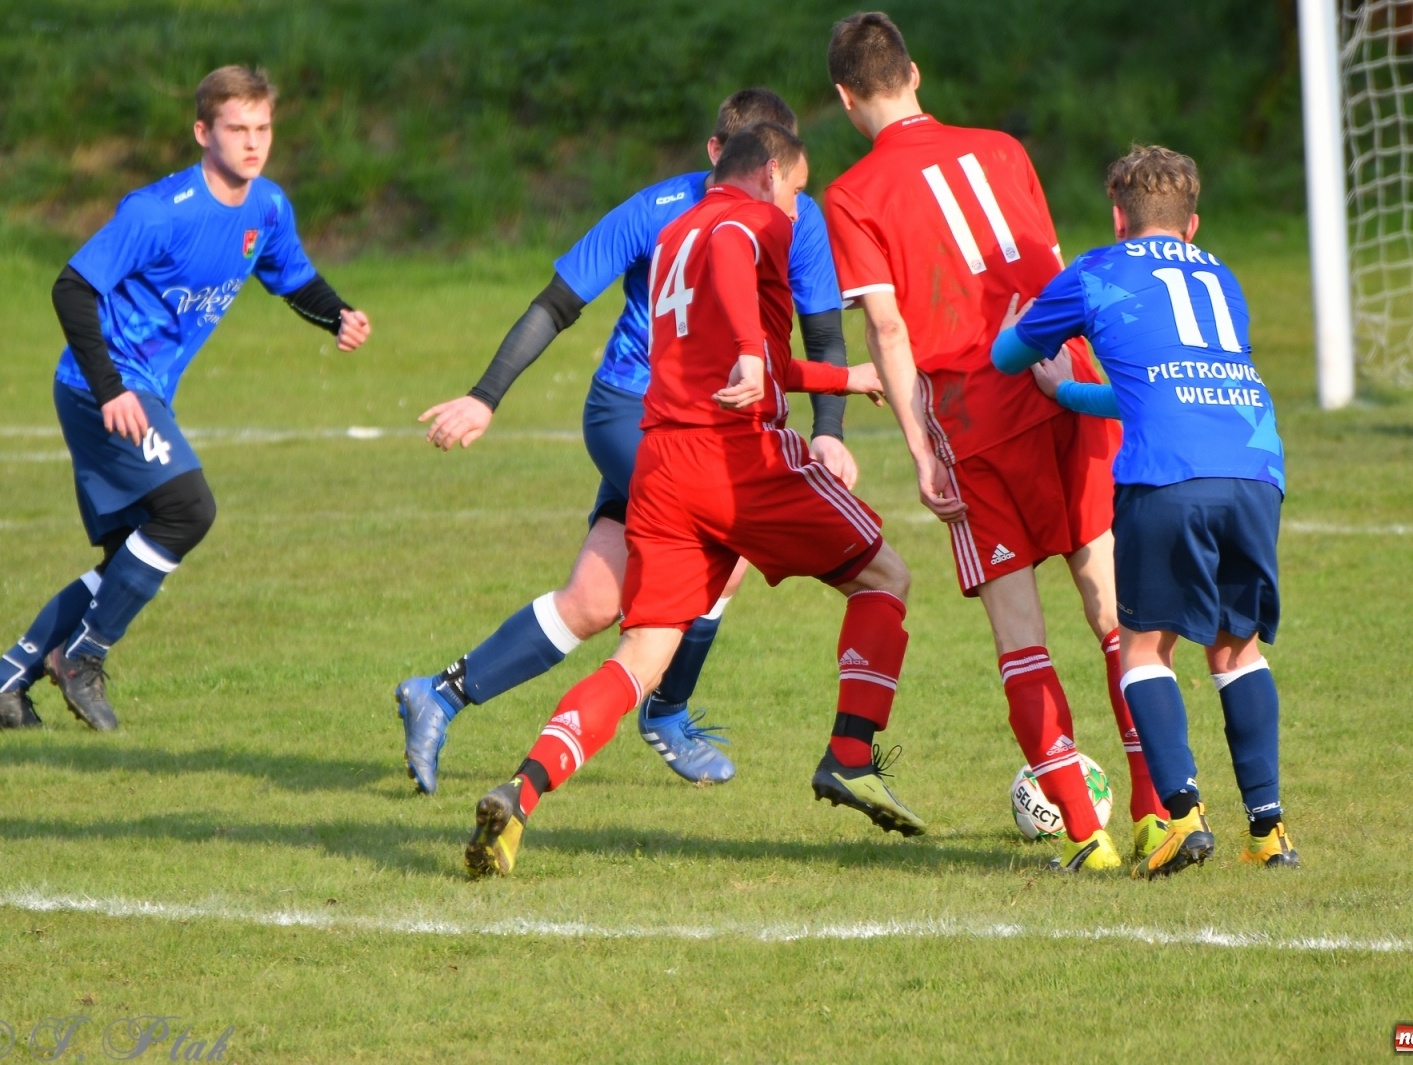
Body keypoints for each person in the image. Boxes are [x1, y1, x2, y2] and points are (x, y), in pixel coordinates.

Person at [465, 124, 922, 878]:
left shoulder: (673, 232)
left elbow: (765, 358)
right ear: (771, 172)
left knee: (641, 656)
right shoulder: (758, 218)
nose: (798, 205)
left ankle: (523, 791)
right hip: (736, 459)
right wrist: (752, 344)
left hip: (664, 464)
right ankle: (850, 754)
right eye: (799, 187)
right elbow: (742, 262)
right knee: (887, 578)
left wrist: (846, 380)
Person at [395, 89, 855, 794]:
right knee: (724, 547)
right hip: (632, 411)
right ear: (723, 155)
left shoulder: (801, 218)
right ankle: (665, 709)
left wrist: (830, 434)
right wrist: (484, 396)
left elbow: (821, 329)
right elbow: (558, 302)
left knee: (593, 598)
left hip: (705, 425)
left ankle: (441, 693)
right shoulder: (657, 210)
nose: (782, 188)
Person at [821, 12, 1165, 872]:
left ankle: (1088, 837)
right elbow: (1056, 269)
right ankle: (1159, 812)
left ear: (844, 95)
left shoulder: (853, 196)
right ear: (917, 73)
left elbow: (890, 331)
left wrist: (919, 445)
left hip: (976, 416)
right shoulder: (1005, 148)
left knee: (1022, 631)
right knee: (1112, 610)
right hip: (1065, 379)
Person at [0, 66, 370, 732]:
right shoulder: (156, 212)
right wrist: (110, 389)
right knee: (188, 508)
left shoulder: (266, 207)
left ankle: (0, 685)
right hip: (102, 390)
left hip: (141, 392)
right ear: (202, 132)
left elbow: (290, 274)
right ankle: (82, 657)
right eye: (236, 128)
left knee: (126, 558)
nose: (252, 142)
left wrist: (337, 314)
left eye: (262, 128)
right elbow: (71, 288)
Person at [993, 144, 1298, 878]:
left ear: (1117, 219)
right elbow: (1166, 387)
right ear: (1191, 224)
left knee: (1143, 648)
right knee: (1235, 649)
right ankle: (1269, 830)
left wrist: (1033, 347)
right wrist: (1077, 397)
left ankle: (1180, 817)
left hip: (1167, 477)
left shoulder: (1099, 270)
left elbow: (1010, 355)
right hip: (1256, 468)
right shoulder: (1222, 276)